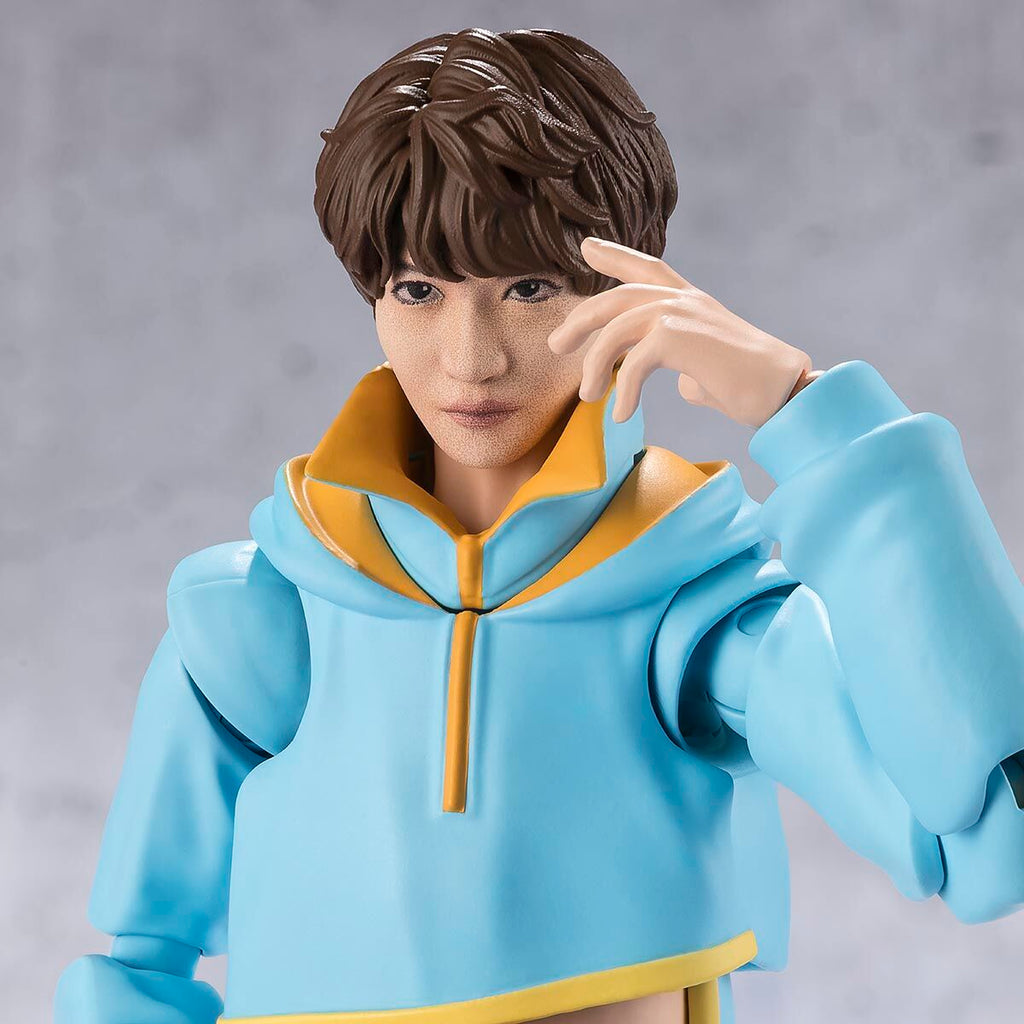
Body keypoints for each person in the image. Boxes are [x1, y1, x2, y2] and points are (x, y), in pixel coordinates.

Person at [54, 27, 1024, 1024]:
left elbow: (991, 834)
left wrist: (811, 412)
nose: (470, 359)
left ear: (624, 292)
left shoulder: (689, 619)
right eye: (419, 291)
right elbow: (136, 962)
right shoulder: (265, 619)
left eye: (527, 288)